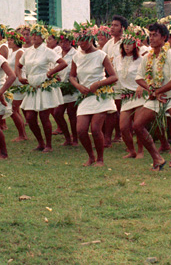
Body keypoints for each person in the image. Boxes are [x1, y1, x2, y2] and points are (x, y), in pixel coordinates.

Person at [132, 23, 171, 170]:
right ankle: (157, 158)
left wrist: (159, 91)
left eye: (155, 35)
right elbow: (139, 77)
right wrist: (152, 90)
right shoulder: (147, 57)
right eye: (150, 35)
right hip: (155, 97)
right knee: (137, 125)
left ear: (164, 37)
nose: (151, 38)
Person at [70, 24, 118, 166]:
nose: (80, 44)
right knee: (81, 130)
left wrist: (98, 84)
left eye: (83, 40)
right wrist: (78, 86)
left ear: (91, 39)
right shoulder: (76, 56)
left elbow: (114, 77)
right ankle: (91, 156)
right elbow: (72, 76)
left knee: (96, 129)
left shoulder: (101, 55)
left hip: (100, 96)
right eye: (78, 41)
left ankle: (100, 159)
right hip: (85, 95)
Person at [15, 24, 67, 152]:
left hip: (43, 85)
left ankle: (48, 144)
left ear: (42, 37)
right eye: (32, 34)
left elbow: (63, 63)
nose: (33, 37)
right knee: (30, 118)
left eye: (36, 35)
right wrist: (20, 77)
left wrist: (50, 72)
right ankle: (40, 142)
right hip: (32, 85)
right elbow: (19, 65)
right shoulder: (27, 51)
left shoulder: (48, 51)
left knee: (44, 117)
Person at [117, 27, 146, 159]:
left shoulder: (141, 60)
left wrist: (142, 86)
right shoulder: (118, 59)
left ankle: (140, 150)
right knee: (123, 127)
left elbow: (148, 75)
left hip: (139, 95)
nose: (127, 46)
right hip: (126, 96)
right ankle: (131, 150)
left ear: (135, 45)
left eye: (130, 44)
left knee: (137, 125)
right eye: (125, 44)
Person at [102, 15, 128, 146]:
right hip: (110, 79)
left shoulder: (125, 41)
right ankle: (114, 135)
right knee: (113, 108)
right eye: (111, 25)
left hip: (122, 79)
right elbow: (103, 57)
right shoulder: (110, 43)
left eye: (115, 25)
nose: (112, 28)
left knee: (118, 108)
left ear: (122, 28)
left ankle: (118, 134)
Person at [52, 30, 79, 146]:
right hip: (60, 87)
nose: (63, 44)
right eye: (62, 41)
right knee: (57, 113)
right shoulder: (57, 53)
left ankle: (75, 139)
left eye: (66, 41)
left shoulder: (76, 54)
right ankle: (67, 137)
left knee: (72, 115)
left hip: (71, 87)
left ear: (71, 42)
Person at [6, 29, 28, 142]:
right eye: (8, 40)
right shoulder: (11, 52)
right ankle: (22, 133)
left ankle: (22, 135)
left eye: (11, 40)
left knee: (12, 110)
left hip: (18, 83)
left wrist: (8, 80)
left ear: (17, 41)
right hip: (12, 82)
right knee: (15, 110)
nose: (8, 42)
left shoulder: (19, 52)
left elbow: (16, 69)